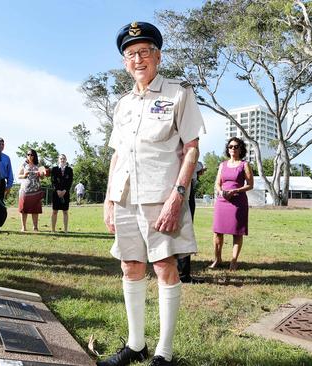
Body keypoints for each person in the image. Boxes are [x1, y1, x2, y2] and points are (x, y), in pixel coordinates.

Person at [98, 21, 205, 366]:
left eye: (145, 51)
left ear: (157, 56)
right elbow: (117, 154)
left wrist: (178, 195)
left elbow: (191, 148)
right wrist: (109, 198)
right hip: (126, 196)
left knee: (164, 267)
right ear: (124, 62)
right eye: (131, 54)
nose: (138, 59)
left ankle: (165, 352)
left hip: (162, 196)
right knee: (130, 267)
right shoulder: (123, 104)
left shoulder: (179, 93)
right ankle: (136, 345)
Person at [209, 137, 254, 271]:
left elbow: (250, 185)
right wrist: (220, 191)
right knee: (217, 232)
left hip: (238, 201)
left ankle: (233, 261)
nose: (233, 149)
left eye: (236, 146)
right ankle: (217, 259)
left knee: (237, 233)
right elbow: (217, 183)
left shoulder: (244, 165)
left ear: (241, 149)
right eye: (230, 147)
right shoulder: (222, 164)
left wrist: (235, 190)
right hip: (222, 201)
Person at [176, 161, 206, 284]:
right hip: (183, 187)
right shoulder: (188, 145)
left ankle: (179, 272)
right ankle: (182, 275)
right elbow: (194, 164)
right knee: (184, 230)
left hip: (179, 185)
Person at [18, 149, 47, 231]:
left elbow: (42, 177)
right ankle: (23, 227)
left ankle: (35, 227)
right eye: (28, 154)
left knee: (35, 209)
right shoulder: (24, 164)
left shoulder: (39, 165)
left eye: (31, 155)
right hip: (25, 191)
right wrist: (24, 175)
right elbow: (19, 176)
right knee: (24, 209)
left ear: (34, 156)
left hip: (36, 191)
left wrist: (41, 174)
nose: (29, 156)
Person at [50, 154, 73, 233]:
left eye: (64, 159)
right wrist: (57, 190)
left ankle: (66, 230)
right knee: (54, 211)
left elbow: (70, 181)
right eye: (61, 159)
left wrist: (65, 191)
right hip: (56, 193)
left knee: (65, 212)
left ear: (66, 160)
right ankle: (53, 230)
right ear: (58, 160)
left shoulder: (69, 170)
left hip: (65, 193)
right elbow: (53, 181)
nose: (62, 160)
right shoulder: (54, 169)